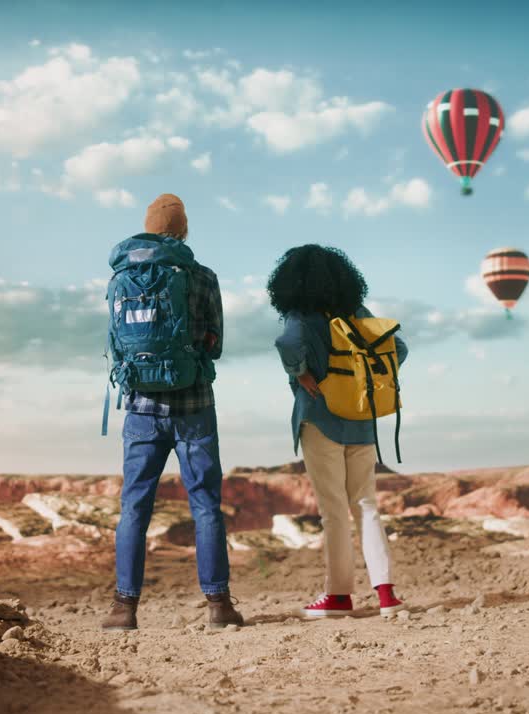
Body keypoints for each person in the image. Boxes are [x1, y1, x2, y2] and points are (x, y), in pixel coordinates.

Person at [101, 194, 243, 631]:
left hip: (141, 408)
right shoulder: (202, 276)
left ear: (146, 229)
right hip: (195, 404)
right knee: (205, 506)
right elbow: (216, 344)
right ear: (183, 230)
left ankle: (124, 609)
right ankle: (218, 606)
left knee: (134, 508)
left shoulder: (123, 276)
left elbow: (115, 342)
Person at [268, 244, 407, 618]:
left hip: (319, 418)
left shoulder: (300, 315)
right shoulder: (355, 312)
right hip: (362, 421)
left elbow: (288, 342)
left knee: (334, 511)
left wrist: (301, 372)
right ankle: (386, 594)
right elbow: (400, 348)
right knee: (366, 505)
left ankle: (339, 596)